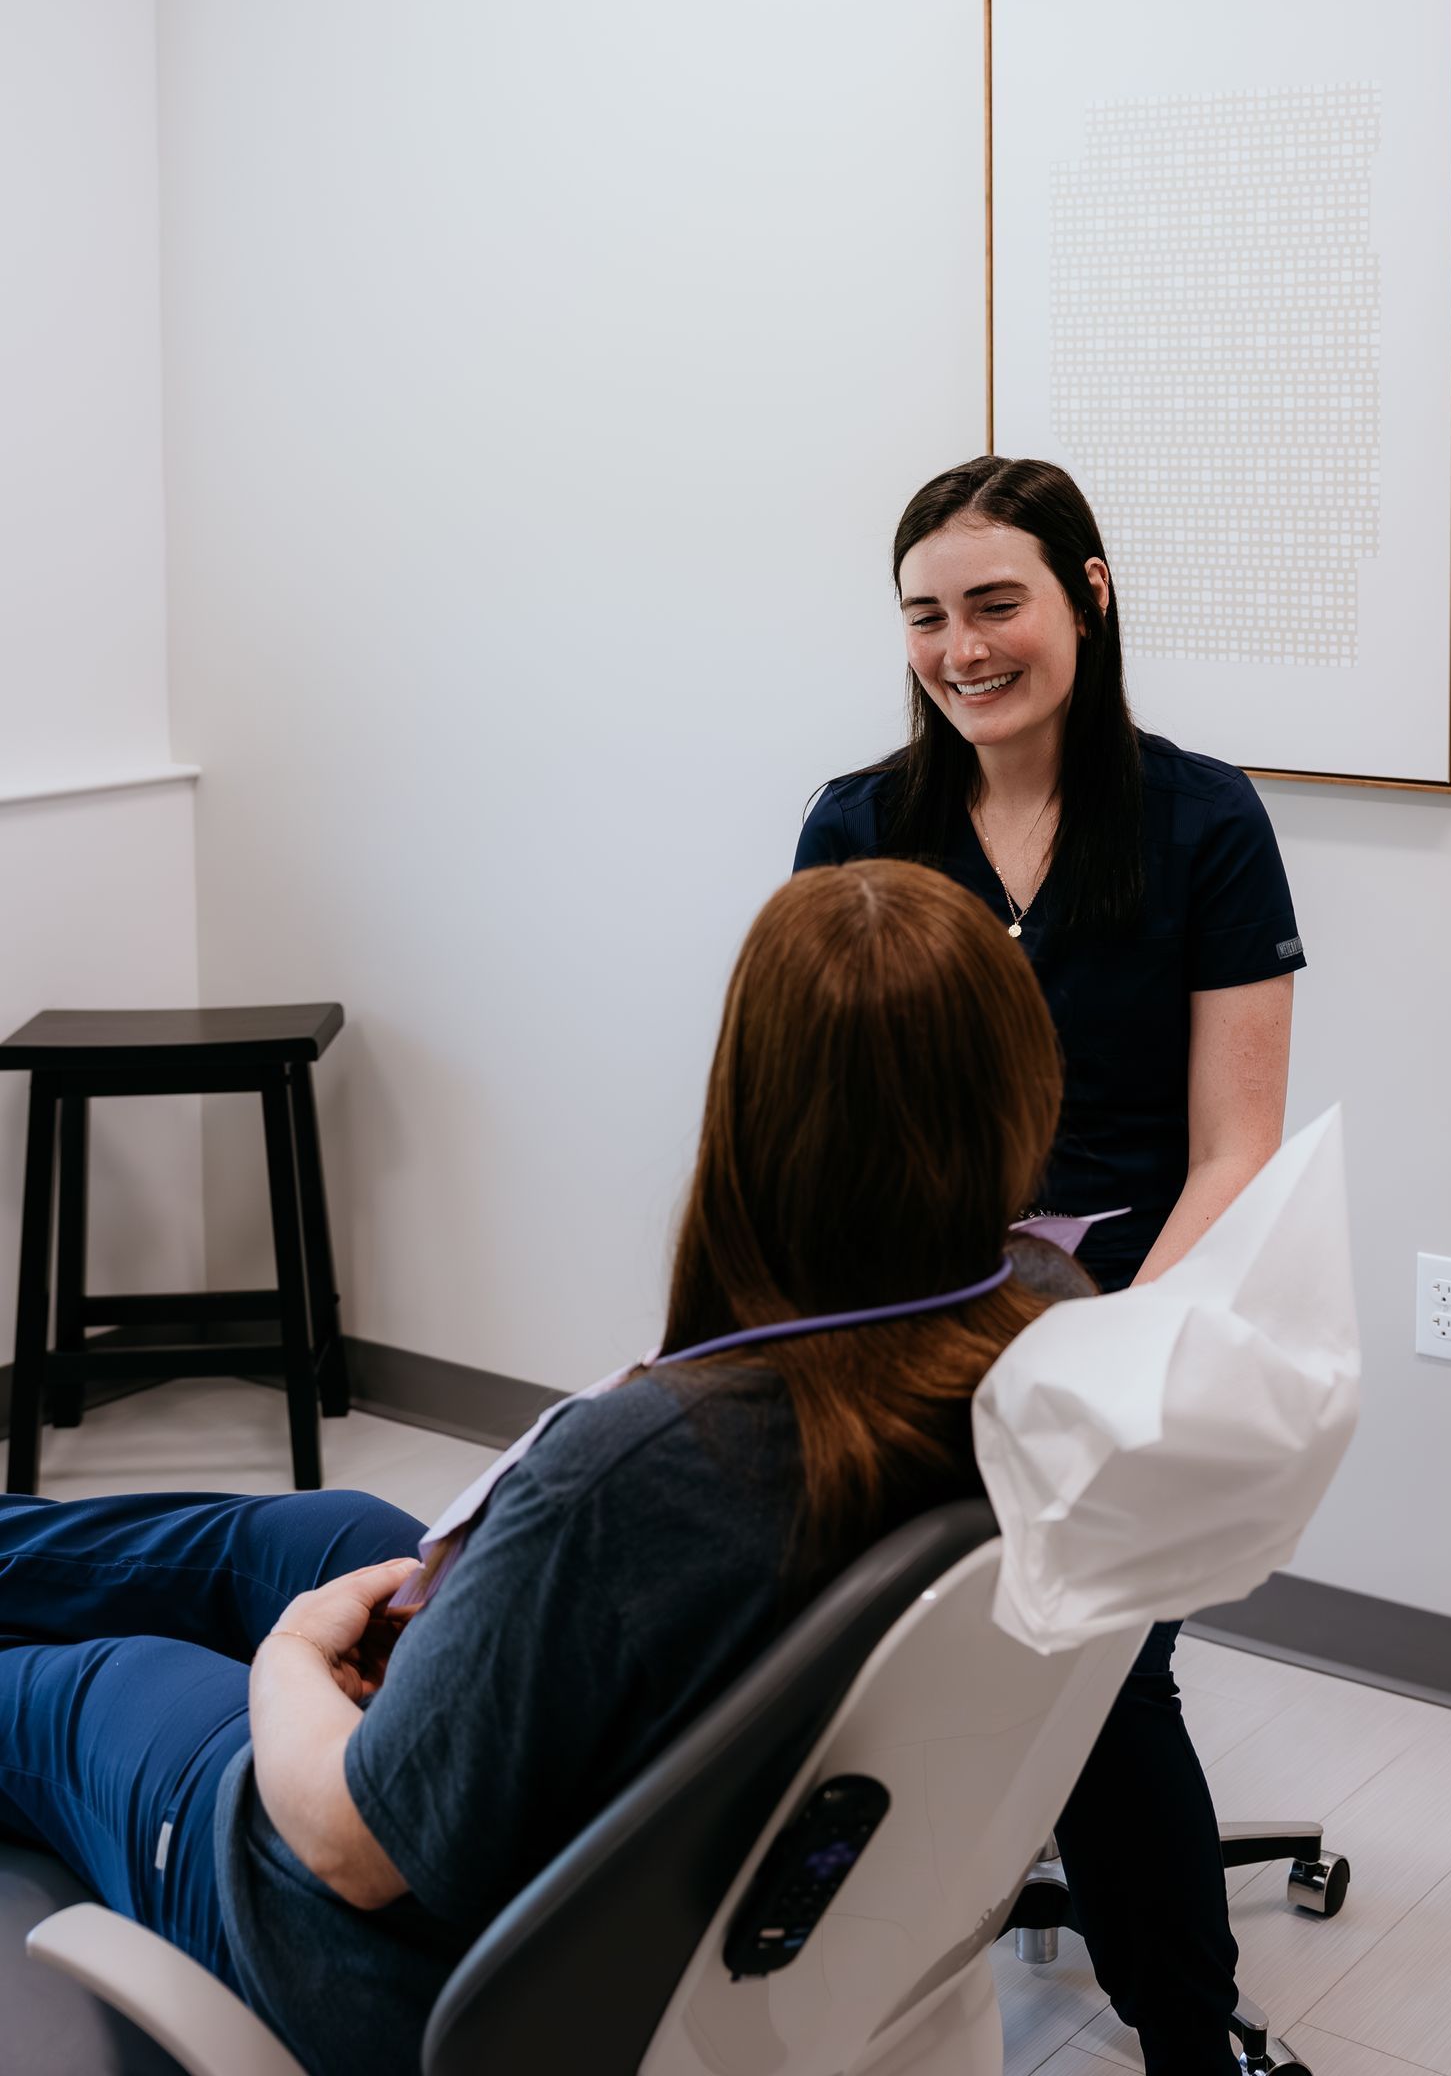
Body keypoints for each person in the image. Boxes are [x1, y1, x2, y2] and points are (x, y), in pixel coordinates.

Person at [0, 860, 1079, 2076]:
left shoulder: (643, 1473)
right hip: (613, 1845)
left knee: (95, 1684)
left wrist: (291, 1657)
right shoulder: (1042, 1337)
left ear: (754, 1117)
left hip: (375, 1949)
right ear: (1020, 1089)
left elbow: (353, 1847)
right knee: (319, 1529)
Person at [795, 453, 1305, 2076]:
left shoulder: (1204, 825)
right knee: (847, 1640)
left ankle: (1185, 2036)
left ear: (1088, 593)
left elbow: (1235, 1147)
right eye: (926, 617)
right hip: (913, 1318)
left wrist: (1111, 1354)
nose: (962, 651)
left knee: (1096, 1665)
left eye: (996, 604)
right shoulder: (860, 828)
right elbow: (822, 1125)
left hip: (1137, 1316)